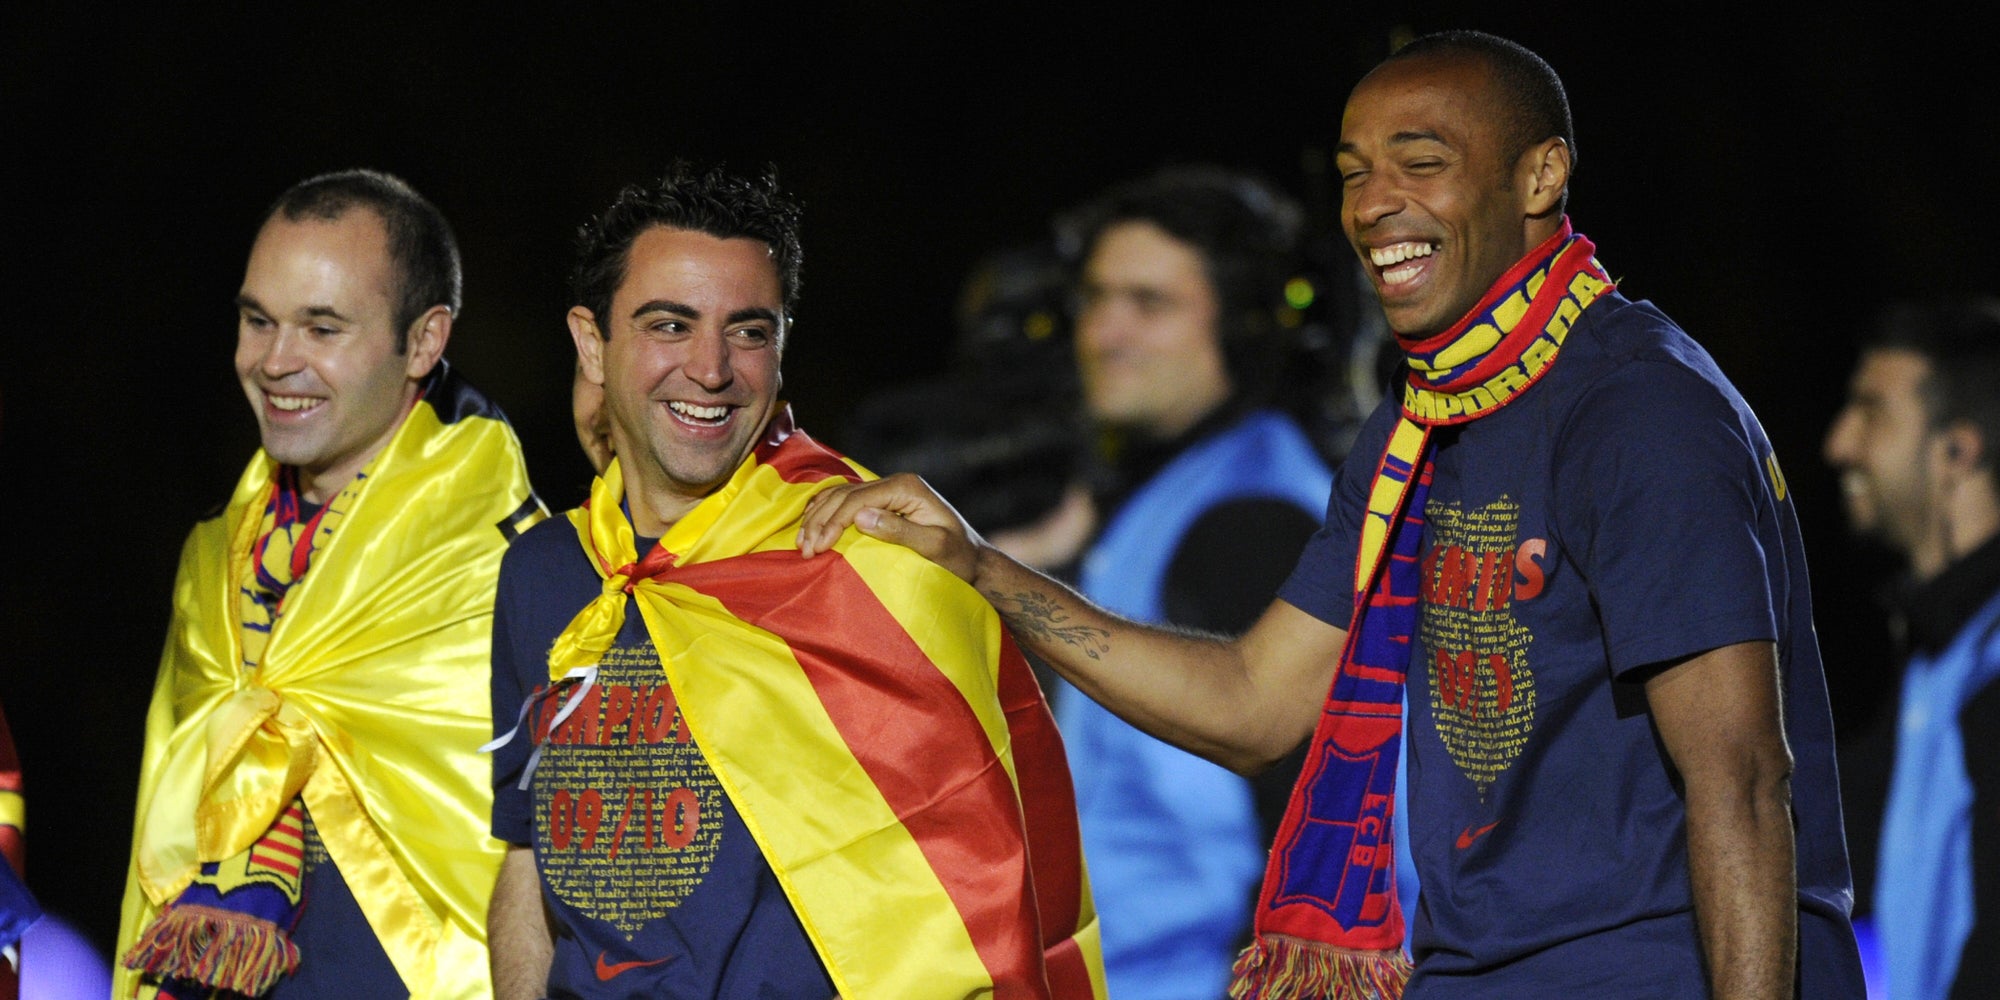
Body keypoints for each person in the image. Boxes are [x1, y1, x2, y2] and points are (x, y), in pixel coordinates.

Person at [800, 29, 1864, 999]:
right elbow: (1252, 703)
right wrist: (980, 566)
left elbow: (1741, 779)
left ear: (1540, 175)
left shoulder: (1636, 408)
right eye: (1355, 173)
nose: (1373, 204)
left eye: (1420, 162)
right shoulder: (1418, 421)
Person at [485, 162, 1104, 999]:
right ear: (592, 344)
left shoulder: (864, 561)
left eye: (748, 332)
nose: (711, 369)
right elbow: (528, 850)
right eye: (670, 325)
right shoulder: (543, 570)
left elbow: (982, 888)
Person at [116, 169, 545, 999]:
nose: (276, 362)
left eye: (321, 328)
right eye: (258, 321)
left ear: (423, 342)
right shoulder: (211, 559)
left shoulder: (514, 566)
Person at [1034, 166, 1342, 1000]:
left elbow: (1326, 829)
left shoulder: (1249, 517)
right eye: (1096, 299)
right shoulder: (1188, 489)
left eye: (1150, 303)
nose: (1105, 332)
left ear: (1241, 325)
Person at [1823, 298, 2000, 1000]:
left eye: (1872, 412)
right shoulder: (1938, 656)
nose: (1840, 444)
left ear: (1957, 452)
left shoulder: (1986, 662)